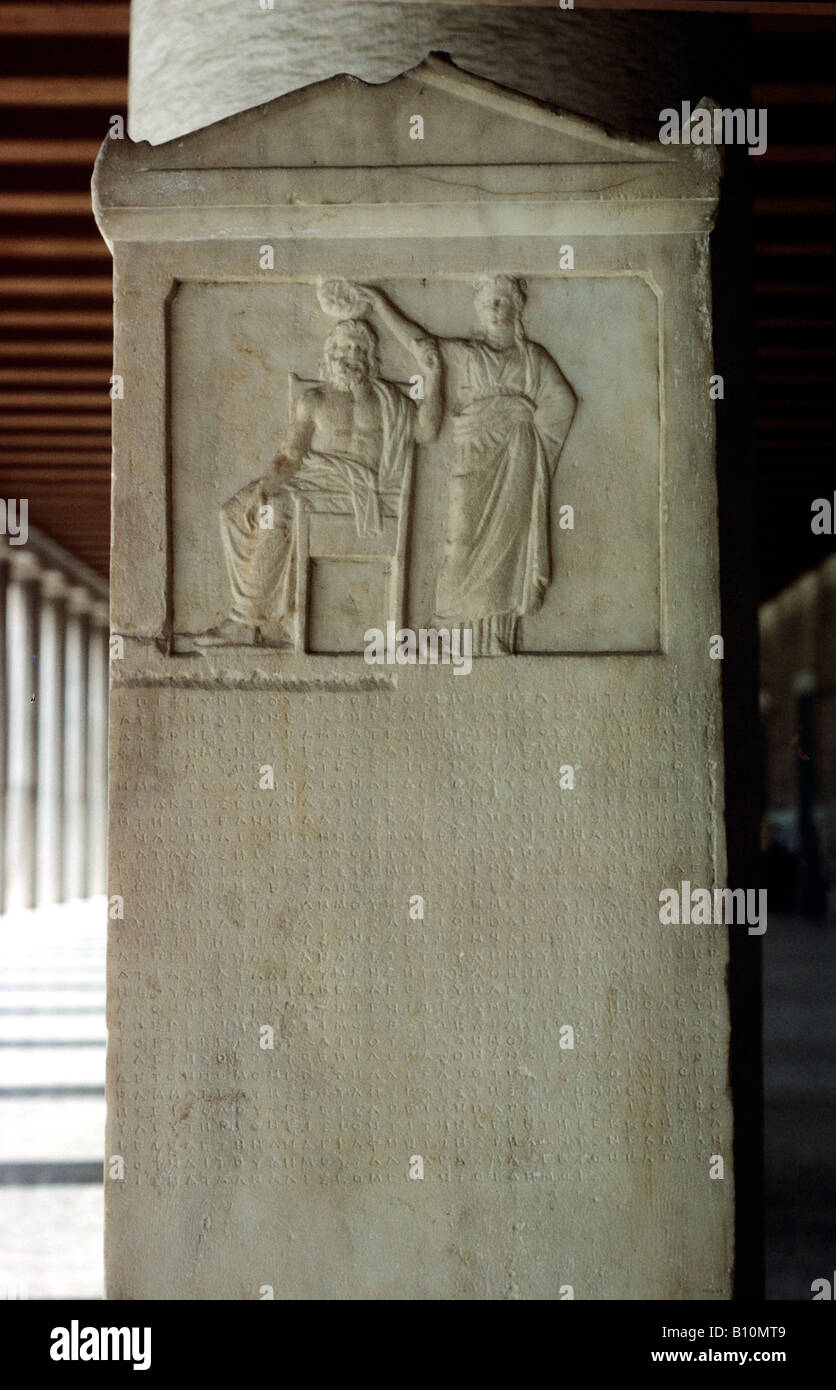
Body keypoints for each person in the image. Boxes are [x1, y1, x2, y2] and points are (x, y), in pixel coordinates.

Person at [362, 276, 577, 654]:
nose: (494, 309)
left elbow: (563, 401)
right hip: (474, 450)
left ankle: (494, 637)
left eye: (501, 302)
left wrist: (533, 439)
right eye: (487, 303)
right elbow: (421, 345)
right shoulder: (469, 355)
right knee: (460, 539)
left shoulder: (534, 359)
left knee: (508, 545)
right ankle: (448, 629)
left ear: (516, 307)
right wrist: (380, 305)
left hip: (516, 455)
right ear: (478, 311)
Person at [196, 316, 441, 647]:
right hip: (313, 479)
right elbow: (292, 455)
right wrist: (263, 487)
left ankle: (246, 621)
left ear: (370, 358)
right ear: (330, 355)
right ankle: (269, 611)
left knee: (276, 513)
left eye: (359, 348)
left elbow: (427, 432)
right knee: (232, 512)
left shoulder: (390, 401)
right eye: (342, 348)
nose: (350, 355)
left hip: (359, 491)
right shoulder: (313, 400)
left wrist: (435, 376)